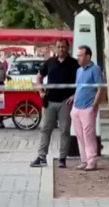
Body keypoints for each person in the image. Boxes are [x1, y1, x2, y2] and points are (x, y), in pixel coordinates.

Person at [30, 39, 79, 169]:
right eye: (58, 47)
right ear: (55, 48)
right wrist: (40, 91)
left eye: (63, 47)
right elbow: (39, 77)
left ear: (67, 48)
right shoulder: (50, 62)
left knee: (64, 131)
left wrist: (75, 95)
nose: (61, 49)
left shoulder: (74, 64)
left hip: (65, 103)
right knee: (45, 129)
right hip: (50, 102)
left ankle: (62, 158)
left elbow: (81, 82)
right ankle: (41, 157)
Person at [71, 45, 105, 171]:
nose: (78, 57)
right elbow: (78, 87)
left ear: (88, 56)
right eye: (78, 55)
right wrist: (74, 100)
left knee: (89, 135)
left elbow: (101, 88)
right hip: (77, 107)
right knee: (79, 135)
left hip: (88, 107)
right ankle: (84, 159)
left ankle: (92, 160)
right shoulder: (78, 70)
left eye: (80, 55)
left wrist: (95, 105)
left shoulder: (95, 69)